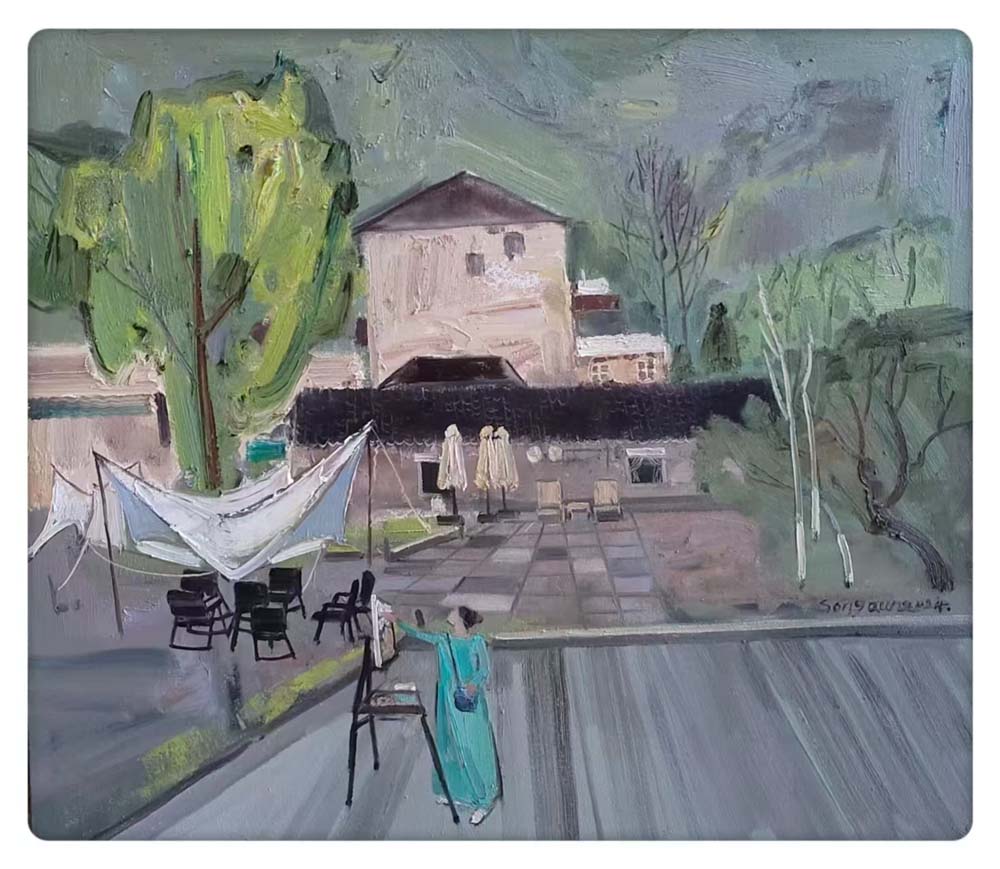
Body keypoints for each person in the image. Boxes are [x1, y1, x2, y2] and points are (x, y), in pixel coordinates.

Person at [388, 606, 501, 825]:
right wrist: (397, 621)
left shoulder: (476, 642)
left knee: (475, 748)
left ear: (460, 619)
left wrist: (473, 685)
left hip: (471, 704)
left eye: (454, 611)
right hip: (450, 702)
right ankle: (465, 795)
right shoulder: (443, 640)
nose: (450, 612)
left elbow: (484, 670)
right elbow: (418, 634)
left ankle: (485, 799)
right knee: (456, 747)